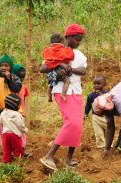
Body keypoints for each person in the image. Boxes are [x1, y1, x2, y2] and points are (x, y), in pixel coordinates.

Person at [39, 23, 87, 170]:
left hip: (76, 91)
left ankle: (69, 160)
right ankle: (49, 156)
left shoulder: (79, 55)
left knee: (77, 125)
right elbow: (43, 68)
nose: (78, 42)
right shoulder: (55, 50)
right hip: (62, 91)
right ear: (68, 37)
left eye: (80, 40)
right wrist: (58, 65)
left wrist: (70, 69)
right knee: (71, 123)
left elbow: (83, 71)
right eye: (77, 39)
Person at [0, 54, 22, 148]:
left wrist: (9, 79)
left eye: (6, 65)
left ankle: (19, 148)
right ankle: (6, 149)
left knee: (16, 129)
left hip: (14, 110)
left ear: (10, 67)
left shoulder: (14, 78)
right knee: (3, 130)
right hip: (1, 110)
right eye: (1, 65)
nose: (3, 67)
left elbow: (16, 89)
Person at [43, 33, 75, 102]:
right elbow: (71, 56)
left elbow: (44, 57)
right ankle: (63, 94)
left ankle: (49, 97)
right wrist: (69, 48)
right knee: (67, 81)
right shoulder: (64, 50)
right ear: (62, 41)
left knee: (50, 85)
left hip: (51, 71)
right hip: (61, 70)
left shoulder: (47, 50)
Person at [0, 94, 28, 163]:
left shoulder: (3, 113)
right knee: (17, 149)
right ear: (15, 106)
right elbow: (20, 126)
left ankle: (6, 161)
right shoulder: (17, 114)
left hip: (5, 135)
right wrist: (25, 130)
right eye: (19, 105)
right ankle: (18, 162)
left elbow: (0, 122)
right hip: (14, 135)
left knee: (6, 150)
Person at [85, 76, 109, 149]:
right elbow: (88, 105)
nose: (96, 85)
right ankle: (101, 146)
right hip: (96, 118)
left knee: (108, 131)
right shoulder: (91, 95)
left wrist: (101, 95)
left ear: (104, 84)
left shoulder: (107, 93)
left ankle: (109, 145)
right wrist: (86, 113)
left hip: (106, 117)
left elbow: (109, 102)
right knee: (98, 133)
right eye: (94, 83)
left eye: (98, 84)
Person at [12, 64, 31, 157]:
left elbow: (24, 99)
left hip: (21, 113)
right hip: (12, 113)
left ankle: (21, 150)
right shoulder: (10, 86)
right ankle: (13, 151)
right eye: (19, 78)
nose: (21, 80)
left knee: (22, 133)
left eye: (22, 79)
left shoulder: (24, 87)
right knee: (13, 132)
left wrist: (24, 112)